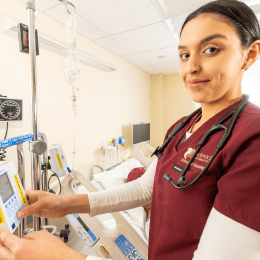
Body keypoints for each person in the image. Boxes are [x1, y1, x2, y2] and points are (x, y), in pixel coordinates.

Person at [0, 0, 260, 259]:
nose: (191, 67)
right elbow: (146, 188)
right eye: (184, 54)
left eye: (211, 49)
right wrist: (64, 204)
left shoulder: (252, 140)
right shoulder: (183, 127)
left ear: (249, 54)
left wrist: (63, 257)